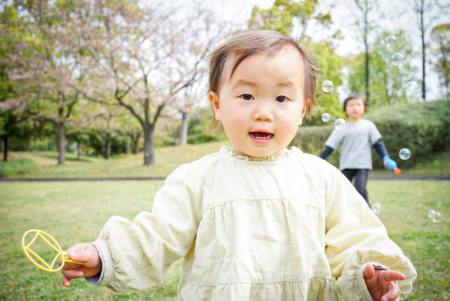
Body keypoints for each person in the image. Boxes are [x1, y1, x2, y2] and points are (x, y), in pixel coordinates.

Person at [62, 30, 416, 300]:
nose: (263, 110)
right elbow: (157, 235)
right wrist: (104, 253)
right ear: (217, 104)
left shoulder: (321, 177)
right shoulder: (196, 178)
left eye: (282, 97)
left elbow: (354, 235)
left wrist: (371, 273)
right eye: (246, 95)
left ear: (303, 108)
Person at [319, 95, 399, 206]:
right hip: (346, 165)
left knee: (360, 189)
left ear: (364, 108)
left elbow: (378, 143)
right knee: (342, 191)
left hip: (362, 165)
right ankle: (346, 214)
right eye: (351, 105)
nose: (354, 108)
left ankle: (368, 213)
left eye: (358, 104)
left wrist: (385, 158)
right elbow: (330, 147)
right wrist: (318, 160)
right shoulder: (342, 127)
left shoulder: (368, 125)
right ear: (345, 109)